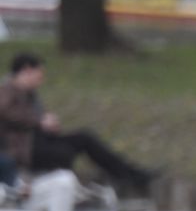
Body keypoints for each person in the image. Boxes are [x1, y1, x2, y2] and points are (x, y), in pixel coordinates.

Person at [0, 53, 156, 197]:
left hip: (40, 142)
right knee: (62, 153)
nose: (41, 79)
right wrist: (39, 121)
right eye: (39, 74)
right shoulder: (7, 89)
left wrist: (50, 125)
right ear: (27, 70)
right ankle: (63, 194)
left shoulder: (31, 95)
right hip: (22, 149)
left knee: (84, 138)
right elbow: (5, 112)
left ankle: (128, 174)